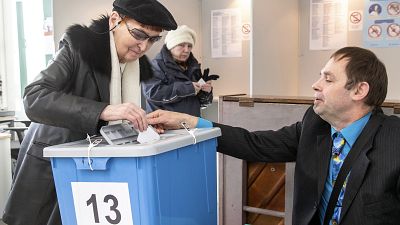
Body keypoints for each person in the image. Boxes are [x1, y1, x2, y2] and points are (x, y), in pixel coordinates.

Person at [147, 47, 400, 224]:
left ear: (359, 90)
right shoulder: (315, 124)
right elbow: (254, 144)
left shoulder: (394, 139)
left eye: (328, 79)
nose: (316, 84)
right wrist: (189, 122)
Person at [2, 0, 177, 224]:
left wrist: (141, 125)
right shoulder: (78, 47)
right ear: (115, 20)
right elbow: (34, 98)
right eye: (139, 34)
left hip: (94, 171)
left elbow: (119, 119)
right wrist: (104, 110)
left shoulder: (136, 67)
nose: (144, 47)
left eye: (153, 39)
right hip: (53, 167)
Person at [141, 25, 214, 117]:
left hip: (192, 125)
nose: (187, 50)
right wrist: (188, 88)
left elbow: (203, 104)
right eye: (181, 45)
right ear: (171, 45)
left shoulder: (193, 67)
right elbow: (153, 94)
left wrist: (206, 92)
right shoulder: (155, 66)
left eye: (189, 46)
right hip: (165, 127)